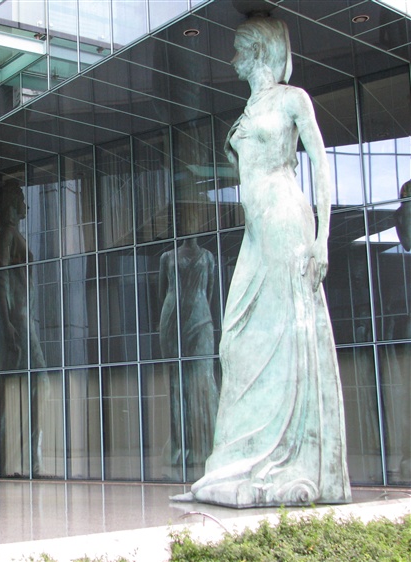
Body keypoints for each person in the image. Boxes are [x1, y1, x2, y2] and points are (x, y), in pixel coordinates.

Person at [176, 16, 351, 507]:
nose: (233, 59)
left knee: (285, 333)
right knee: (234, 341)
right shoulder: (248, 109)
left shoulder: (292, 99)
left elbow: (321, 165)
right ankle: (236, 460)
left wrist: (322, 238)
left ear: (258, 51)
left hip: (284, 220)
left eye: (238, 50)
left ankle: (285, 457)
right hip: (256, 230)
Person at [0, 180, 49, 475]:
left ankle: (23, 458)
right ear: (13, 203)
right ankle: (21, 457)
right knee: (38, 383)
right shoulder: (7, 234)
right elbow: (1, 276)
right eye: (21, 199)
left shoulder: (14, 234)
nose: (25, 205)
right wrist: (6, 322)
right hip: (18, 318)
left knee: (24, 386)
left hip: (23, 316)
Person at [158, 233, 218, 472]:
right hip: (172, 318)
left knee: (203, 380)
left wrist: (197, 311)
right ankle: (180, 446)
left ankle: (205, 444)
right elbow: (162, 292)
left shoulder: (208, 257)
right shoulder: (167, 257)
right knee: (177, 383)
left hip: (200, 317)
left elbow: (210, 291)